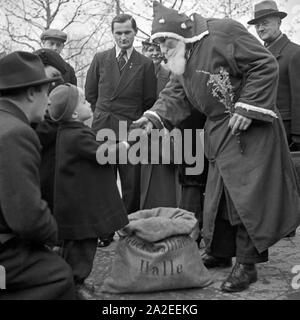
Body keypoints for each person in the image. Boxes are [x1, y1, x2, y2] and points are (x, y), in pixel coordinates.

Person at [131, 1, 300, 292]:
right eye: (157, 43)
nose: (162, 49)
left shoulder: (224, 32)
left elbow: (265, 63)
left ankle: (247, 265)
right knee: (219, 197)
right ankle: (221, 252)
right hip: (219, 131)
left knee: (245, 199)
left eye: (164, 42)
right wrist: (153, 117)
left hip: (250, 129)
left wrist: (247, 108)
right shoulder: (180, 55)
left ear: (181, 34)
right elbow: (176, 92)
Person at [0, 51, 75, 300]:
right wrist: (53, 235)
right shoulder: (16, 132)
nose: (49, 101)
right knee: (58, 274)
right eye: (46, 91)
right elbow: (27, 217)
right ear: (31, 93)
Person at [46, 84, 128, 297]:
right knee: (82, 248)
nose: (89, 103)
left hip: (76, 203)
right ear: (73, 114)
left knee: (75, 246)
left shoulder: (71, 132)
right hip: (81, 208)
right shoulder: (75, 135)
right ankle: (75, 284)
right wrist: (124, 146)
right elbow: (101, 153)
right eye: (83, 102)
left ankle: (69, 281)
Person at [85, 14, 157, 220]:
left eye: (127, 32)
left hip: (131, 129)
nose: (123, 37)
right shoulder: (101, 59)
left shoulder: (145, 63)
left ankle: (129, 226)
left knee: (131, 183)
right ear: (113, 34)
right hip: (103, 128)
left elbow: (149, 99)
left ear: (134, 32)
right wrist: (103, 113)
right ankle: (104, 229)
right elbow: (90, 93)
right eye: (118, 33)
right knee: (103, 180)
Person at [248, 0, 300, 152]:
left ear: (278, 22)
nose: (260, 28)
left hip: (287, 131)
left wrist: (297, 135)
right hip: (263, 129)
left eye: (265, 23)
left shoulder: (295, 53)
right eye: (257, 25)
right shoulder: (257, 56)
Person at [140, 38, 180, 209]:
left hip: (164, 131)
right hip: (140, 128)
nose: (154, 53)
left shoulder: (170, 74)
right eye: (149, 49)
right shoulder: (137, 73)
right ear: (143, 52)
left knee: (163, 178)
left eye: (157, 49)